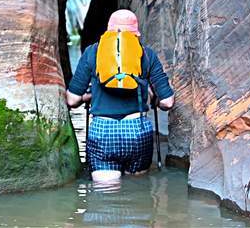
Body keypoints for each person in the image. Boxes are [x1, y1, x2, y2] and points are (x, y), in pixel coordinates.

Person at [66, 9, 174, 183]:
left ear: (108, 30)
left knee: (106, 197)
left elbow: (72, 100)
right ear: (136, 33)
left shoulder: (92, 52)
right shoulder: (146, 54)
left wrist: (90, 96)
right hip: (137, 130)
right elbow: (167, 102)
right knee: (137, 192)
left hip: (103, 131)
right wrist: (155, 101)